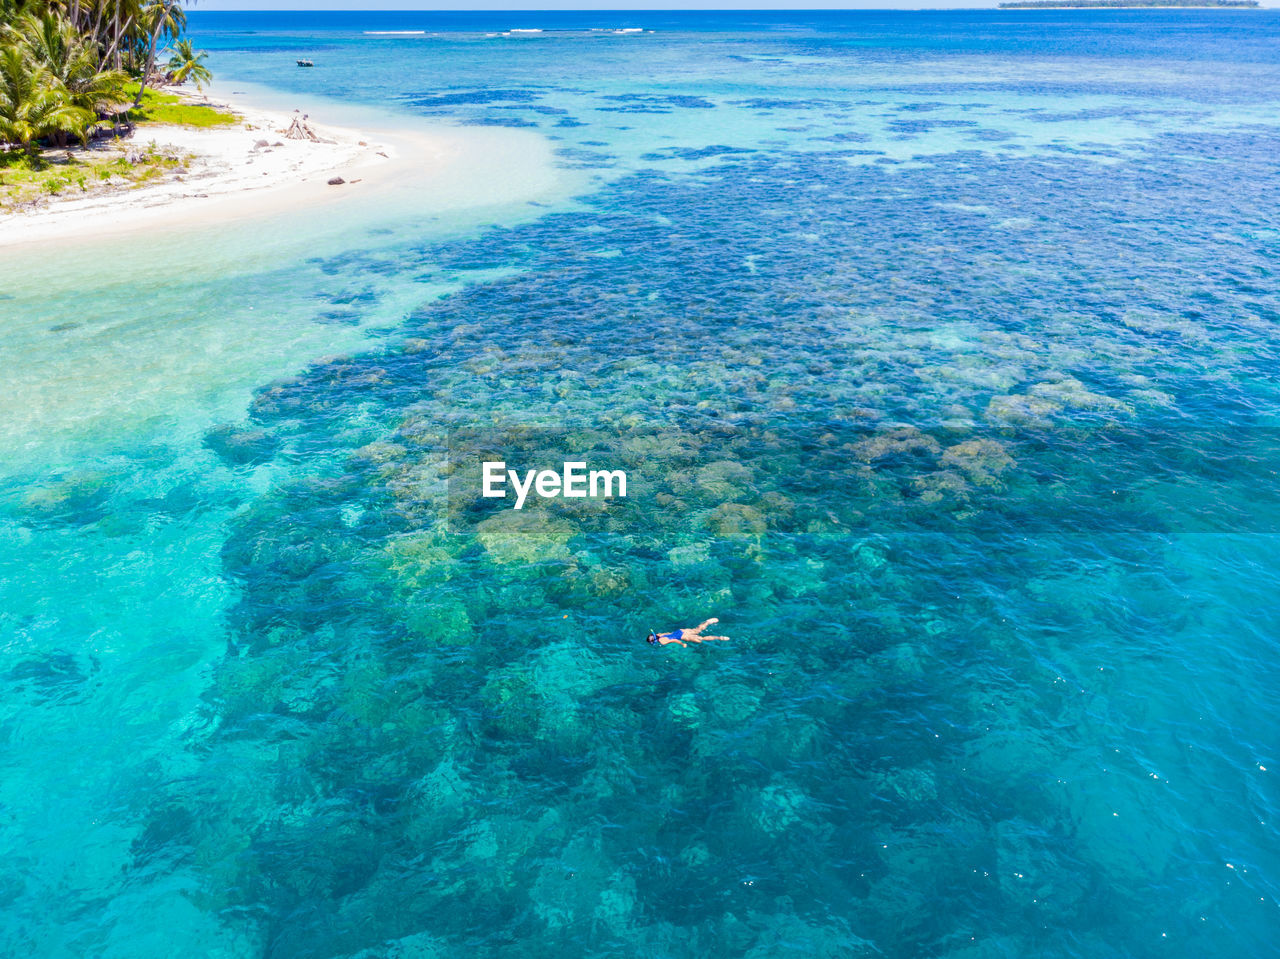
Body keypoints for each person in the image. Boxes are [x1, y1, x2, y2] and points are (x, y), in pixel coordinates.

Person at [646, 618, 729, 647]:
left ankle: (720, 638)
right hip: (680, 631)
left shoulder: (662, 641)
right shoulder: (659, 634)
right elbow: (669, 633)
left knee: (701, 639)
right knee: (696, 630)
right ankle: (707, 622)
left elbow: (674, 640)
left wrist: (682, 644)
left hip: (682, 637)